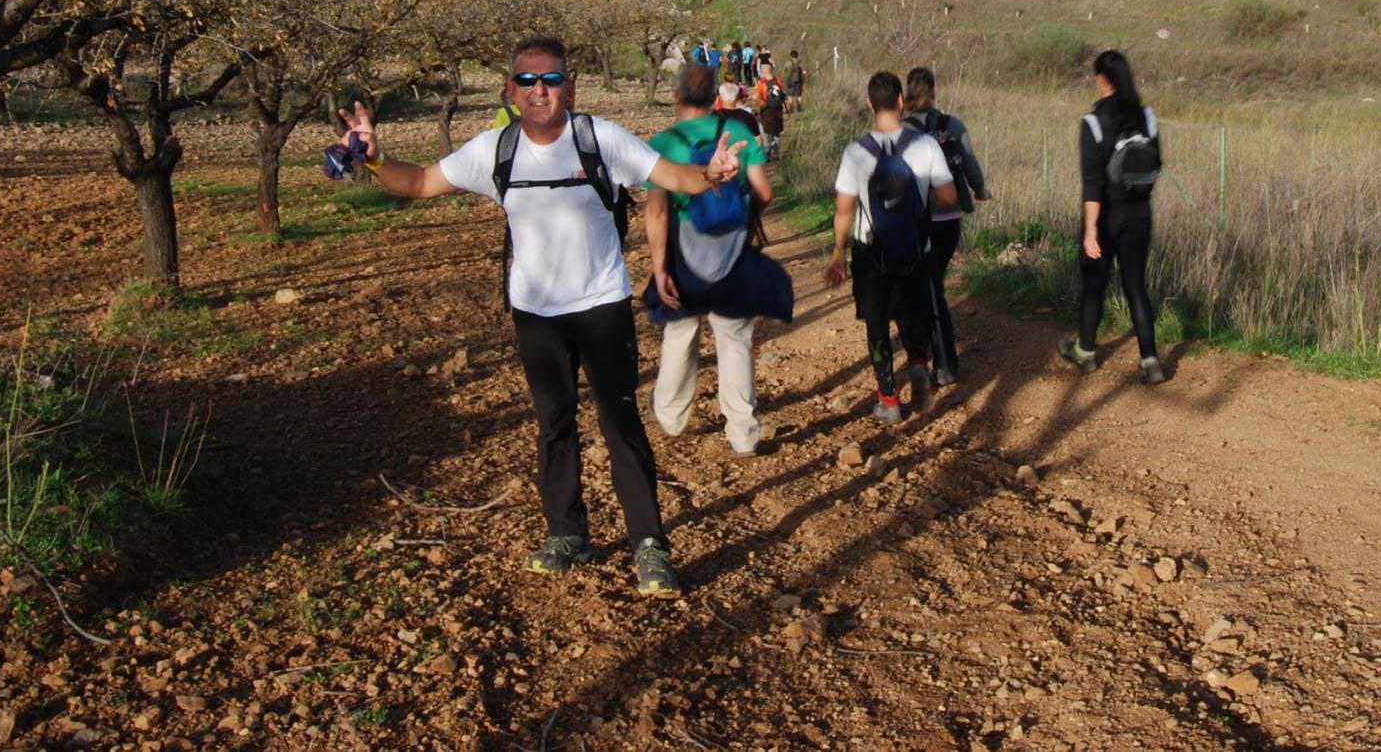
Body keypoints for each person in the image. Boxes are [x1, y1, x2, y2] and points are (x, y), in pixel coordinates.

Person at [334, 37, 746, 596]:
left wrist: (714, 173)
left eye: (550, 80)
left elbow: (674, 178)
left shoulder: (599, 139)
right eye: (527, 81)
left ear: (569, 86)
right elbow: (421, 183)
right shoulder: (494, 150)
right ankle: (567, 534)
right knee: (554, 424)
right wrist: (374, 157)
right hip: (536, 315)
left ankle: (649, 545)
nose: (539, 91)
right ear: (511, 90)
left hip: (601, 305)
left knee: (620, 422)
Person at [643, 65, 793, 457]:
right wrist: (741, 214)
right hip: (732, 253)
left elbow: (657, 213)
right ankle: (743, 434)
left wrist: (660, 269)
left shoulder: (663, 142)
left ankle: (672, 417)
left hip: (683, 255)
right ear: (715, 99)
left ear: (675, 96)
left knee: (680, 333)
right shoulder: (740, 134)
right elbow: (765, 192)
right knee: (735, 339)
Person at [825, 71, 956, 423]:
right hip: (916, 247)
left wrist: (837, 254)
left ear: (869, 103)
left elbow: (843, 210)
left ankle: (888, 400)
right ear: (901, 101)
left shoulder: (855, 153)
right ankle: (918, 365)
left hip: (871, 252)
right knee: (915, 313)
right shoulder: (926, 145)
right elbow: (947, 196)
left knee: (878, 324)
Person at [1058, 49, 1167, 385]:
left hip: (1105, 217)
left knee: (1094, 285)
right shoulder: (1146, 117)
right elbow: (1157, 164)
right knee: (1136, 285)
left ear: (1101, 79)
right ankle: (1151, 362)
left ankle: (1086, 353)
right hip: (1140, 215)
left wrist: (1090, 230)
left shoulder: (1092, 123)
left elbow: (1092, 183)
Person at [901, 67, 991, 386]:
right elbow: (970, 163)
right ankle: (941, 361)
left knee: (925, 291)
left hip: (917, 222)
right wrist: (980, 190)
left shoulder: (901, 130)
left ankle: (942, 362)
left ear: (908, 95)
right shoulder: (953, 125)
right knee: (933, 285)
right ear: (934, 92)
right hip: (949, 219)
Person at [784, 50, 807, 114]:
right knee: (799, 95)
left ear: (791, 56)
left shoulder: (787, 63)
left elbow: (785, 71)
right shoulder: (800, 63)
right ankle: (799, 106)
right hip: (798, 81)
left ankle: (791, 107)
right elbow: (804, 72)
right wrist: (804, 79)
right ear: (797, 55)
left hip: (789, 81)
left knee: (790, 95)